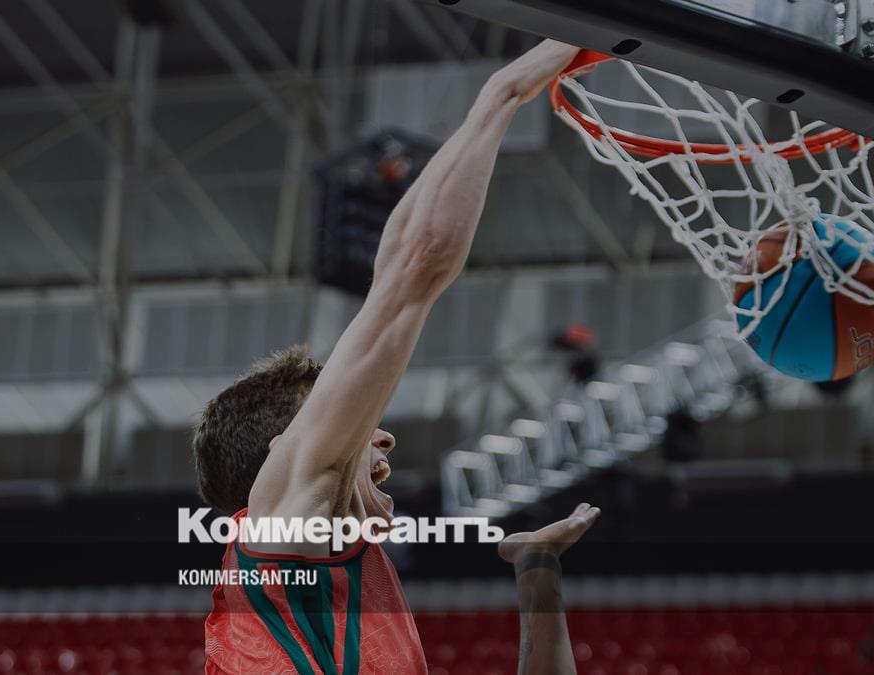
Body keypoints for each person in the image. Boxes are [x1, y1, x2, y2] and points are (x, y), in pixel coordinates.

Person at [194, 40, 599, 674]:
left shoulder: (337, 585)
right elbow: (413, 269)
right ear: (283, 456)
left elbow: (409, 270)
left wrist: (537, 570)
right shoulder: (279, 538)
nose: (379, 435)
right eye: (355, 422)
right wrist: (503, 94)